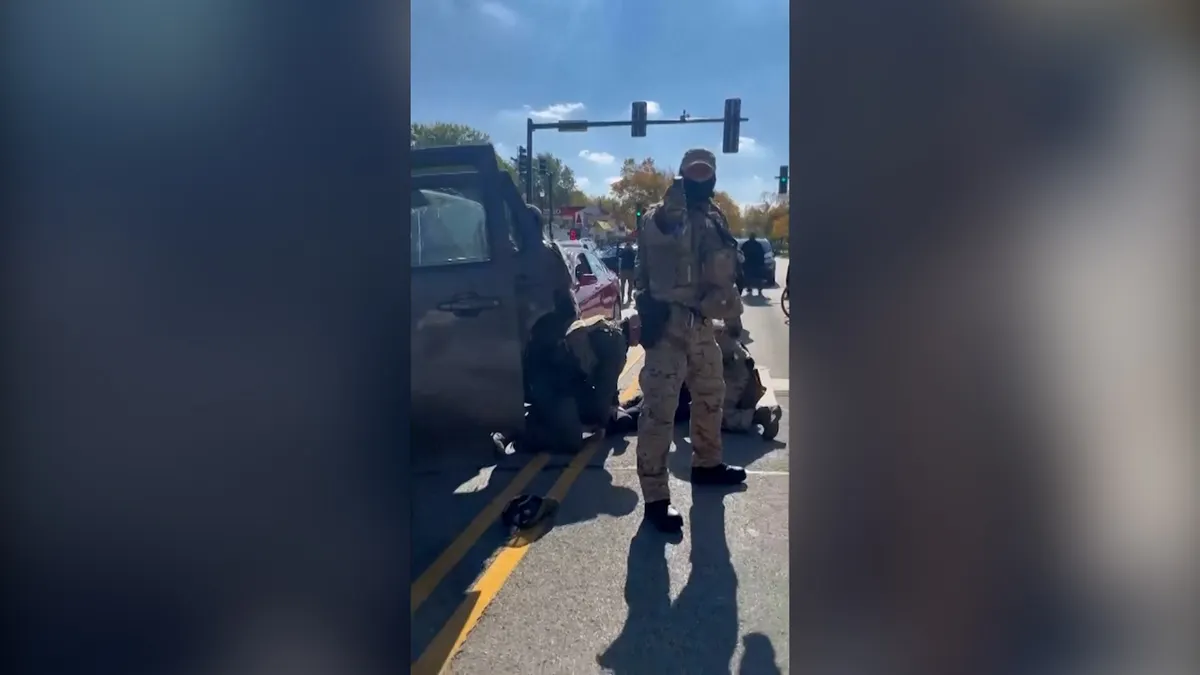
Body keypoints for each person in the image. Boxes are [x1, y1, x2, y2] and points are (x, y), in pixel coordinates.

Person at [633, 148, 747, 533]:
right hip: (668, 327)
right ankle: (655, 499)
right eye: (693, 173)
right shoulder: (663, 214)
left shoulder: (715, 216)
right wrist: (671, 207)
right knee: (659, 413)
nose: (701, 179)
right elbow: (660, 232)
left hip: (701, 326)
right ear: (682, 175)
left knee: (711, 394)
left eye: (707, 172)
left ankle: (707, 465)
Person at [493, 315, 638, 455]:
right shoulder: (617, 343)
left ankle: (523, 426)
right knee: (572, 441)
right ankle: (523, 438)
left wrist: (612, 405)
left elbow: (606, 382)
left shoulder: (609, 326)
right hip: (555, 382)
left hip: (556, 378)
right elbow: (604, 389)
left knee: (571, 413)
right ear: (636, 329)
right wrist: (602, 423)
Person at [618, 320, 782, 440]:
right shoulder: (680, 322)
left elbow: (674, 376)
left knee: (709, 416)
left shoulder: (673, 336)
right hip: (733, 364)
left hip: (733, 372)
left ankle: (761, 415)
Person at [618, 241, 637, 305]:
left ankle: (622, 298)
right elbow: (635, 258)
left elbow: (619, 256)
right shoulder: (632, 250)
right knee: (630, 285)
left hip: (623, 270)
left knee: (622, 285)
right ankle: (629, 297)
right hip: (631, 270)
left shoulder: (624, 250)